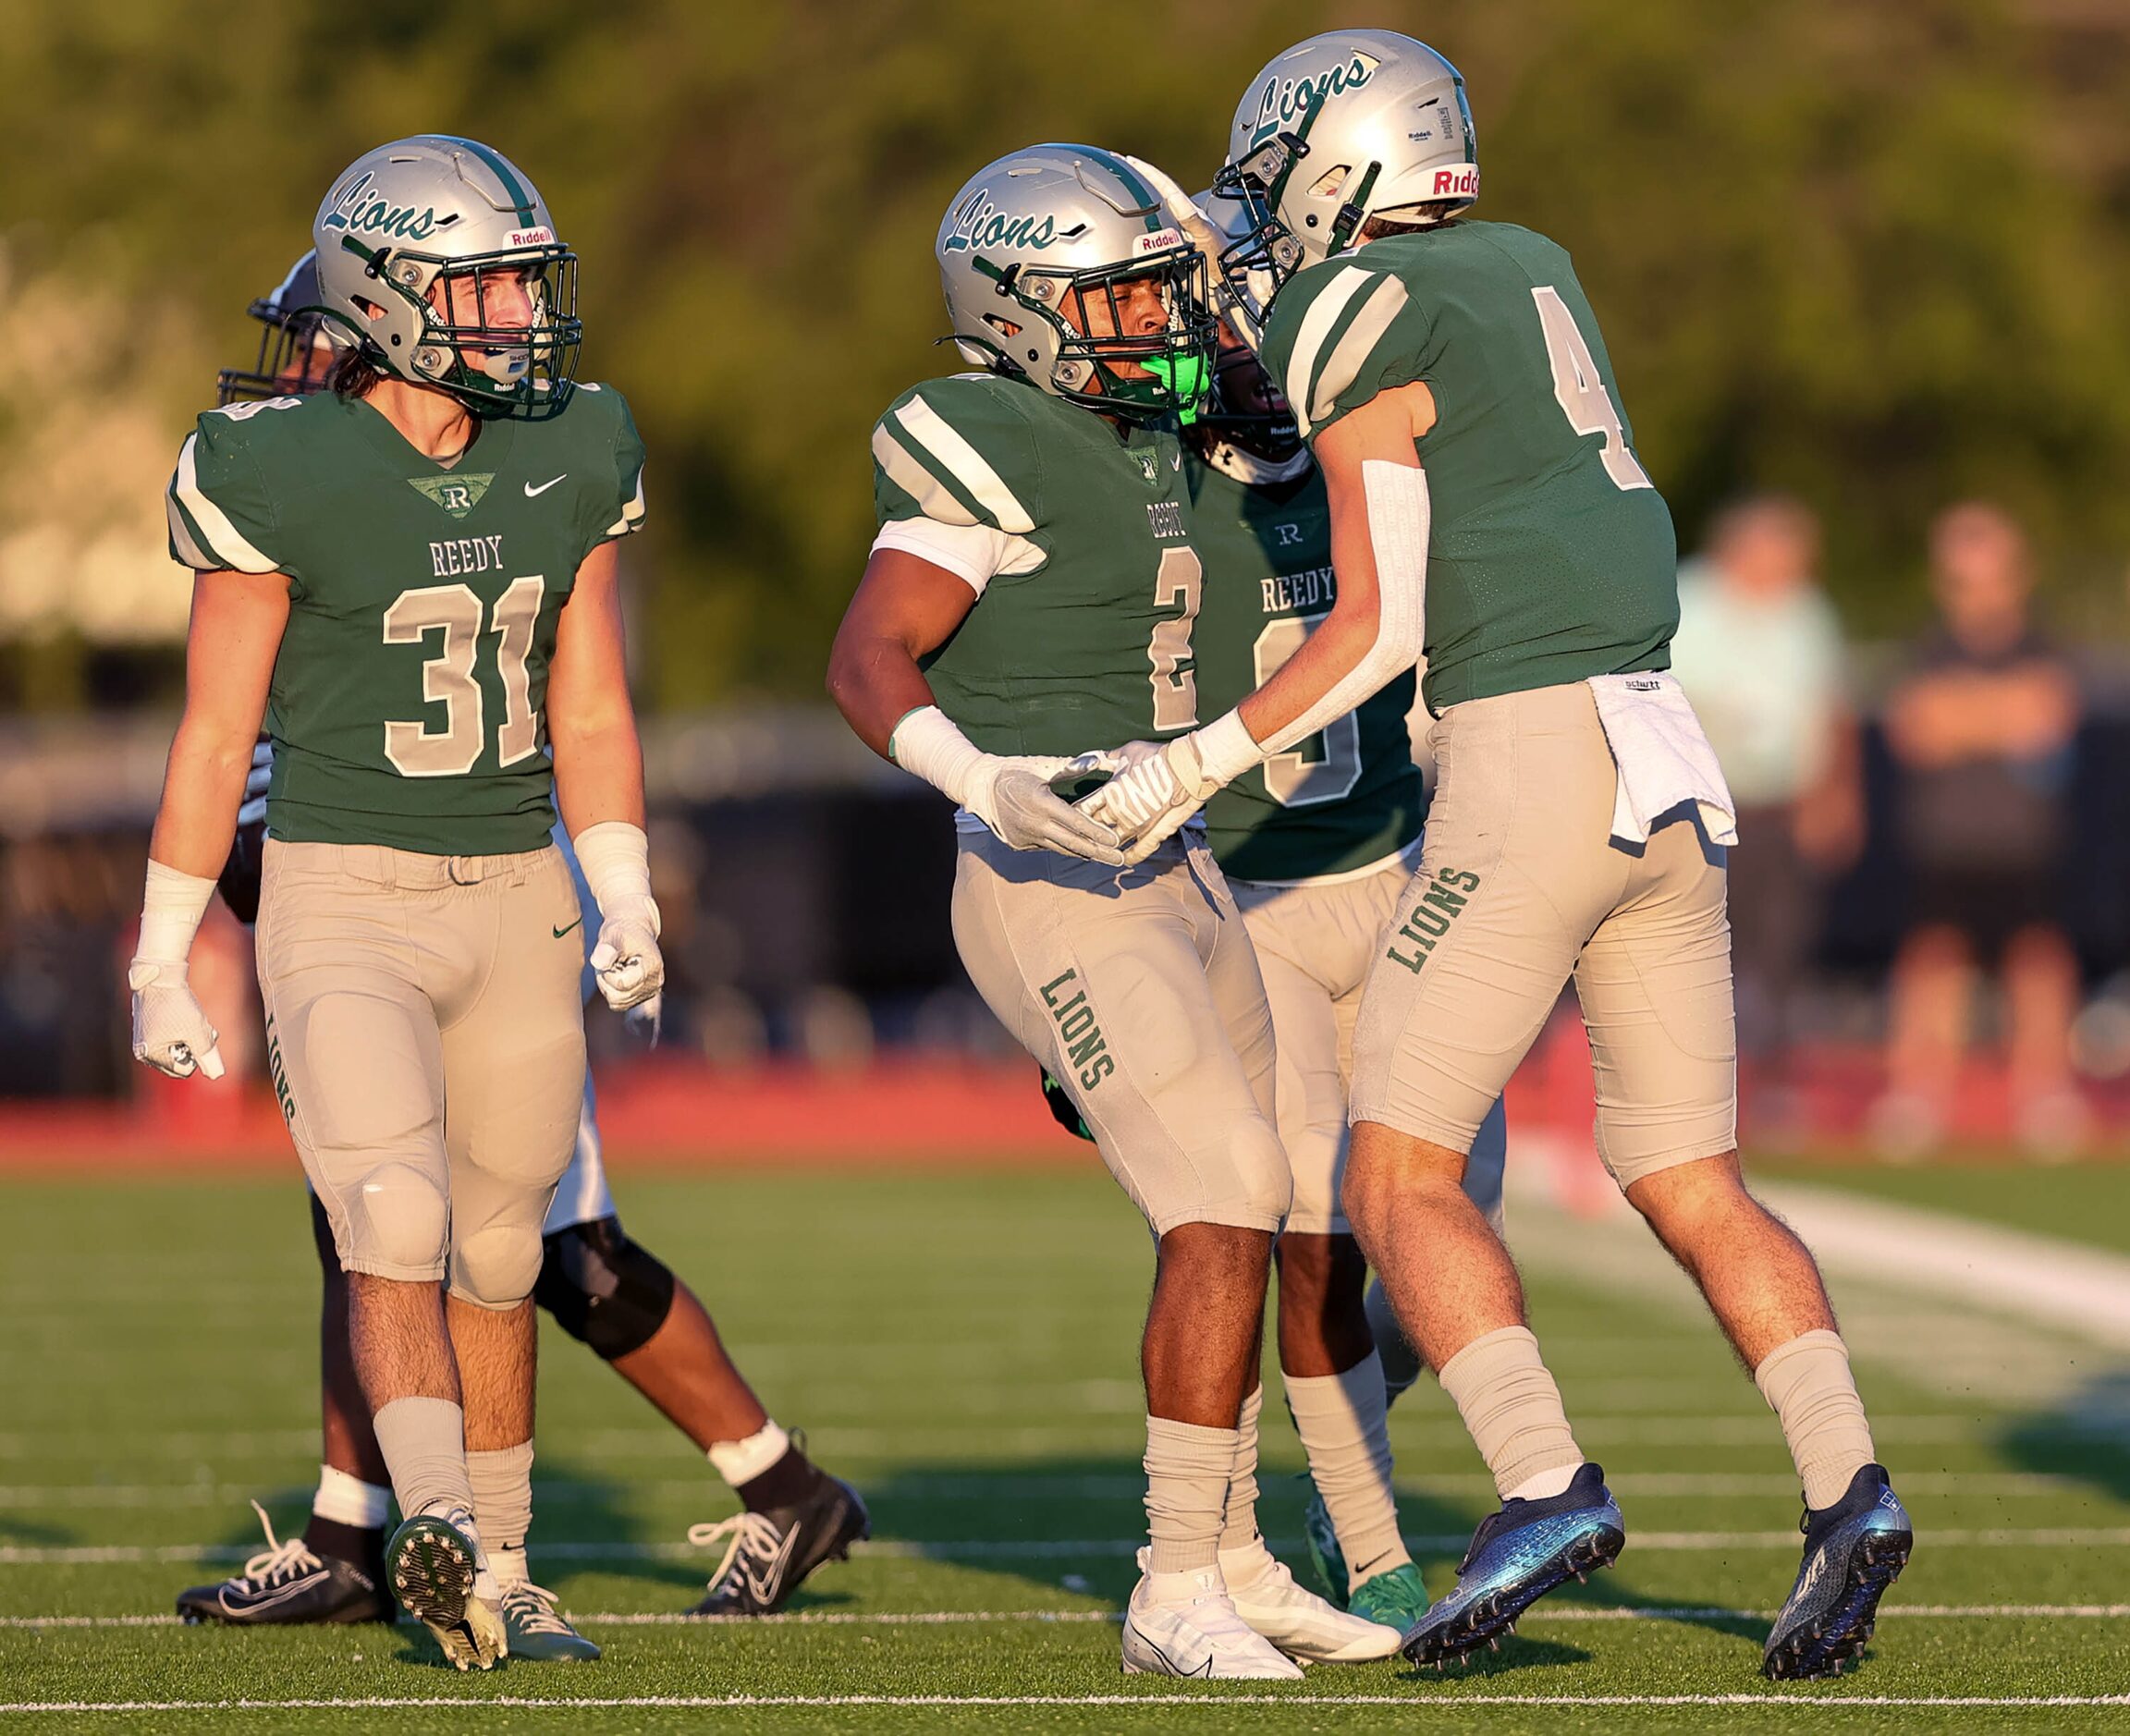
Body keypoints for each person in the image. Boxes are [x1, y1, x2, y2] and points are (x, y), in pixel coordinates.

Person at [1075, 32, 1910, 1680]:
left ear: (1338, 160)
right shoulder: (1528, 261)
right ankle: (1846, 1484)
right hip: (1662, 755)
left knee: (1391, 1171)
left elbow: (1376, 625)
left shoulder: (1337, 307)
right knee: (1687, 1173)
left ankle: (1538, 1478)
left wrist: (1186, 761)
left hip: (1529, 752)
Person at [175, 252, 866, 1643]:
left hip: (496, 906)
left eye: (311, 348)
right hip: (368, 916)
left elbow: (576, 701)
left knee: (559, 1252)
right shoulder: (294, 506)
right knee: (370, 1227)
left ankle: (776, 1481)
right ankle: (352, 1526)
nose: (295, 379)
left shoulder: (483, 473)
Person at [827, 143, 1397, 1679]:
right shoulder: (978, 434)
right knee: (1211, 1189)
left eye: (1166, 292)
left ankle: (1233, 1552)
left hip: (1177, 857)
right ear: (1017, 312)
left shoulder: (1161, 433)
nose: (1162, 322)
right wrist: (985, 782)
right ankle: (1167, 1582)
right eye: (1128, 297)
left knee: (1278, 1190)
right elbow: (867, 656)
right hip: (1046, 874)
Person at [136, 134, 671, 1670]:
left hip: (519, 889)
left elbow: (588, 708)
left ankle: (503, 1564)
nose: (518, 314)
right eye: (485, 285)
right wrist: (162, 955)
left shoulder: (578, 440)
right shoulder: (273, 462)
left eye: (523, 282)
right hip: (342, 889)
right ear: (383, 293)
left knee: (504, 1251)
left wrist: (621, 882)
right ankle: (434, 1526)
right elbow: (212, 730)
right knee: (392, 1215)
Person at [1140, 254, 1512, 1630]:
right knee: (1315, 1238)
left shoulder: (1381, 462)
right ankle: (1371, 1544)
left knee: (1445, 1216)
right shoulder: (1161, 495)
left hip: (1405, 874)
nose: (1248, 358)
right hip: (1260, 910)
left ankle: (1347, 1441)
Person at [1879, 503, 2085, 1154]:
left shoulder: (2043, 644)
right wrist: (1999, 713)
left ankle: (2046, 1093)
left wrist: (1962, 713)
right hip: (1944, 835)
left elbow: (2047, 714)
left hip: (2025, 837)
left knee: (2038, 960)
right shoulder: (1927, 647)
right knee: (1933, 959)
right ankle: (1919, 1094)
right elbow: (1919, 729)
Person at [1671, 495, 1862, 1108]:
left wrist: (1835, 793)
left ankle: (1770, 1082)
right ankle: (1692, 1086)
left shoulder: (1807, 613)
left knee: (1780, 941)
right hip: (1700, 800)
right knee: (1696, 940)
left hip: (1779, 804)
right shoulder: (1688, 599)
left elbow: (1831, 706)